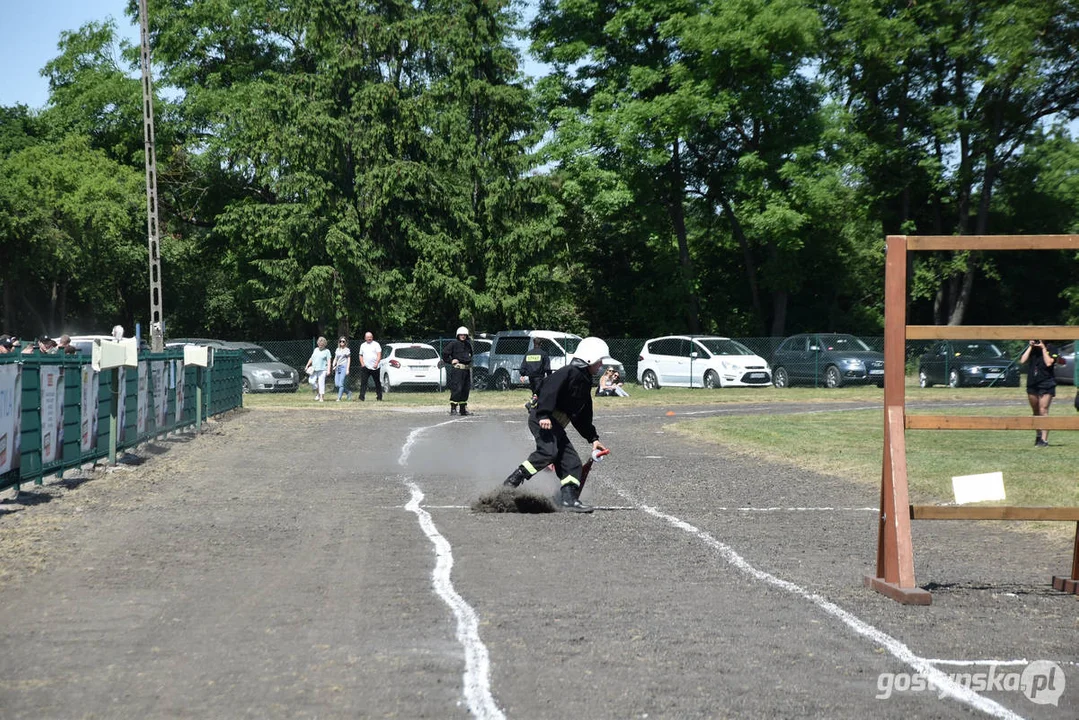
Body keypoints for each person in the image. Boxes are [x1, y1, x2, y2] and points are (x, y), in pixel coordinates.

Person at [502, 336, 611, 512]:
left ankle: (568, 499)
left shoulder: (584, 381)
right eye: (599, 361)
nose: (601, 366)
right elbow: (548, 389)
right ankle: (511, 483)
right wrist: (544, 414)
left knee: (572, 462)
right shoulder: (569, 372)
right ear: (589, 359)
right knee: (548, 452)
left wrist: (593, 438)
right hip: (542, 419)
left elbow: (582, 415)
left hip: (554, 424)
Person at [1020, 339, 1059, 447]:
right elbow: (1022, 361)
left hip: (1046, 382)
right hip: (1032, 382)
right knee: (1036, 411)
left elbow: (1049, 363)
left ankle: (1044, 440)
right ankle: (1038, 435)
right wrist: (1030, 347)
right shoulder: (1033, 349)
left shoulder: (1052, 348)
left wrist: (1043, 348)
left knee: (1043, 410)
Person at [442, 326, 473, 416]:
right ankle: (453, 408)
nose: (463, 336)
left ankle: (463, 409)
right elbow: (445, 353)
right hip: (457, 370)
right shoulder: (453, 344)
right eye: (461, 334)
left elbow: (470, 354)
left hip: (466, 370)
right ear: (458, 335)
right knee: (457, 389)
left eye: (464, 335)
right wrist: (450, 361)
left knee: (465, 389)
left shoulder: (468, 344)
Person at [518, 338, 551, 409]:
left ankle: (534, 409)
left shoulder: (528, 354)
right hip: (539, 377)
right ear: (541, 344)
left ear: (534, 343)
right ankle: (530, 404)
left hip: (531, 378)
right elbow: (547, 368)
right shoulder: (543, 354)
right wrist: (549, 377)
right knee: (540, 393)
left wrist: (522, 374)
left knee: (535, 393)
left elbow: (524, 365)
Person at [357, 331, 383, 401]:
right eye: (368, 337)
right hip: (366, 367)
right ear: (365, 338)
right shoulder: (363, 345)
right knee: (363, 383)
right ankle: (361, 397)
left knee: (377, 382)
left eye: (370, 337)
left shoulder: (376, 344)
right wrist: (362, 364)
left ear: (372, 337)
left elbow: (379, 354)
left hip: (375, 367)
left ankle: (379, 397)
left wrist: (377, 363)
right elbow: (360, 355)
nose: (369, 338)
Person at [305, 336, 332, 402]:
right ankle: (318, 393)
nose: (320, 345)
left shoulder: (327, 351)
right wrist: (307, 365)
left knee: (321, 382)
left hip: (323, 369)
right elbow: (311, 358)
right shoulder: (316, 350)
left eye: (322, 344)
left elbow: (329, 361)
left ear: (324, 344)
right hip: (314, 369)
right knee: (311, 381)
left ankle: (321, 398)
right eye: (319, 344)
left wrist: (328, 370)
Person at [333, 336, 352, 401]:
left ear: (346, 342)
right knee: (337, 384)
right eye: (340, 341)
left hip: (344, 367)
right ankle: (348, 392)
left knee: (341, 383)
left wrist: (347, 369)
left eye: (343, 341)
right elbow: (335, 358)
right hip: (337, 367)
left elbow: (349, 359)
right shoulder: (337, 349)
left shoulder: (347, 350)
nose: (342, 342)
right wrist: (333, 365)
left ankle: (339, 398)